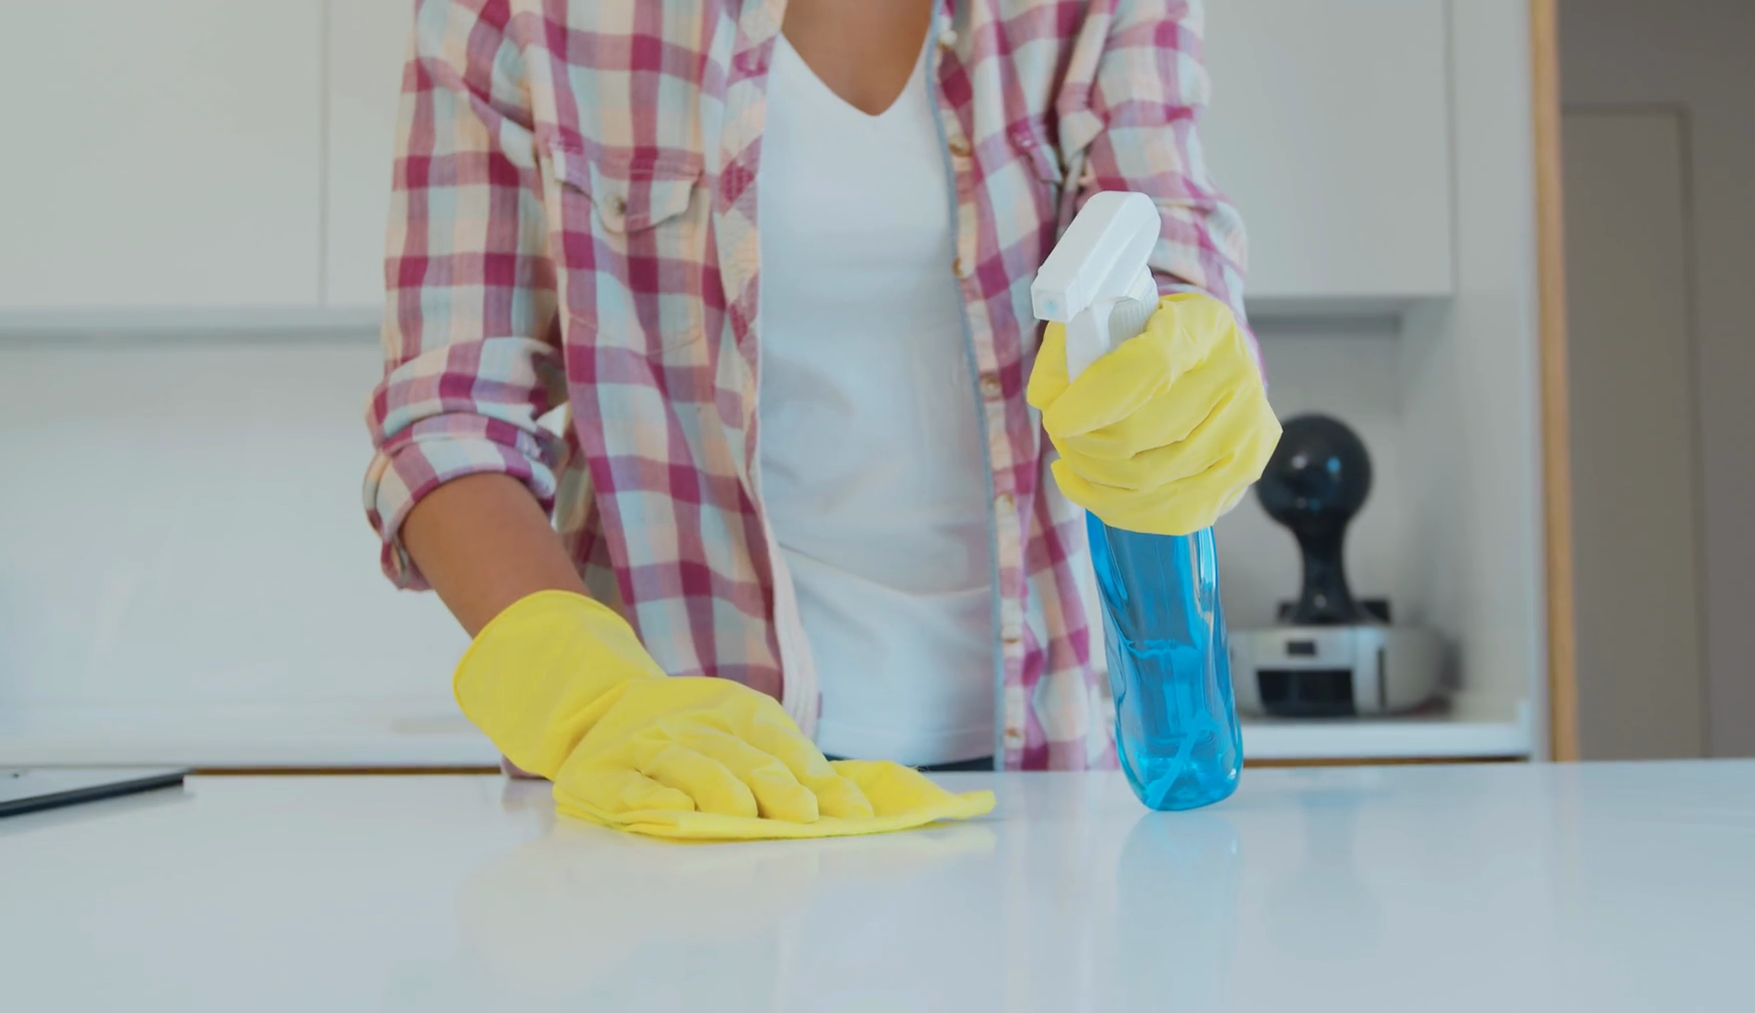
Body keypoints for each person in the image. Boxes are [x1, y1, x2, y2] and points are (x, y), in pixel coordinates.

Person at [364, 0, 1279, 832]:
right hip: (694, 784)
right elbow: (448, 418)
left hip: (1043, 776)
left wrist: (1188, 361)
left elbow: (1171, 247)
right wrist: (593, 699)